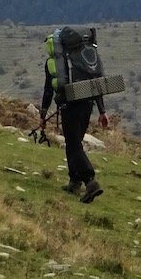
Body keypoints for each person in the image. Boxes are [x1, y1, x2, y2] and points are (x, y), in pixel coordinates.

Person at [40, 26, 109, 203]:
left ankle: (90, 181)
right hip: (88, 104)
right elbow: (96, 84)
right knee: (74, 142)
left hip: (69, 105)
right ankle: (74, 181)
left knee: (73, 144)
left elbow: (48, 90)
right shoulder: (85, 58)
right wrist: (102, 111)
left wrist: (43, 114)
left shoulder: (56, 63)